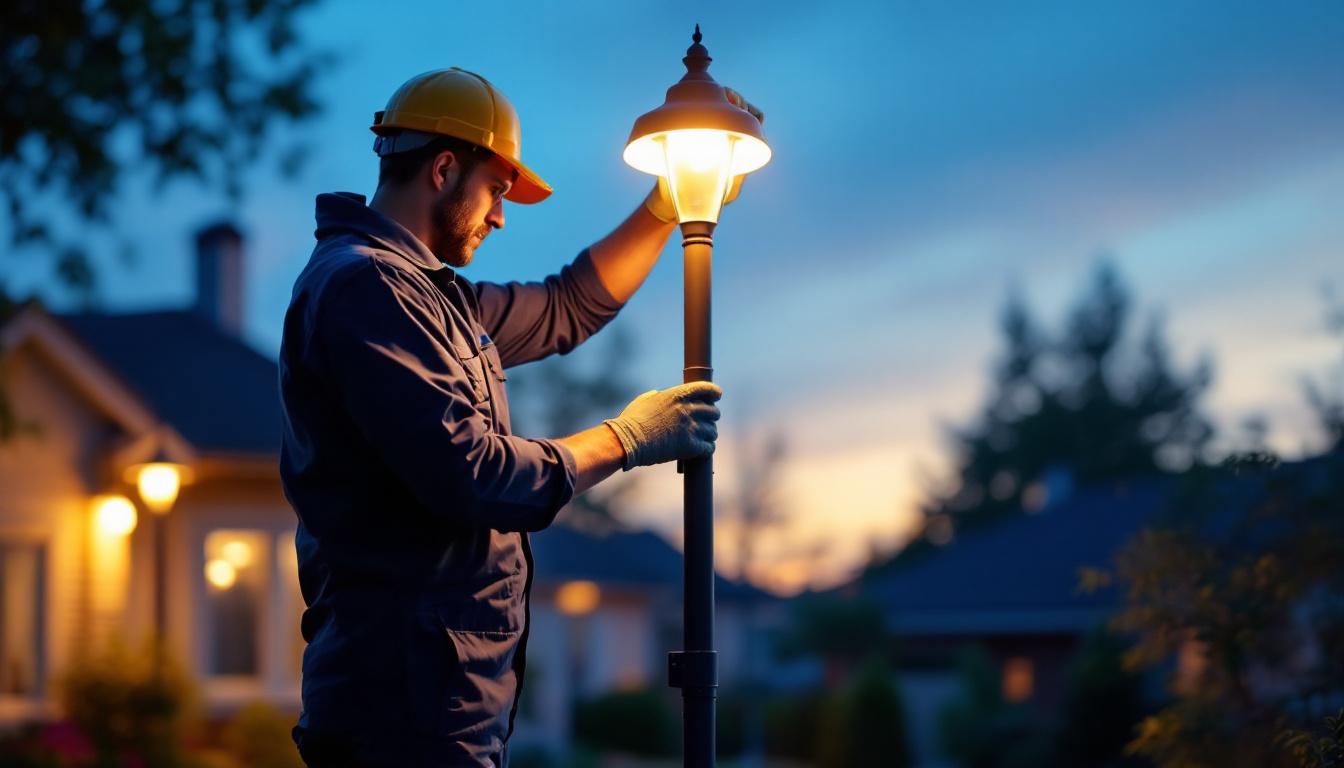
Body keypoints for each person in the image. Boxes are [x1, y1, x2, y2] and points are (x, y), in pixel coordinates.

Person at [278, 67, 758, 766]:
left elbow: (571, 305)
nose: (502, 215)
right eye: (497, 190)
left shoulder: (436, 303)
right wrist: (627, 438)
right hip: (400, 713)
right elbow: (470, 473)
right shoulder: (365, 288)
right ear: (444, 169)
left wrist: (669, 200)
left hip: (441, 706)